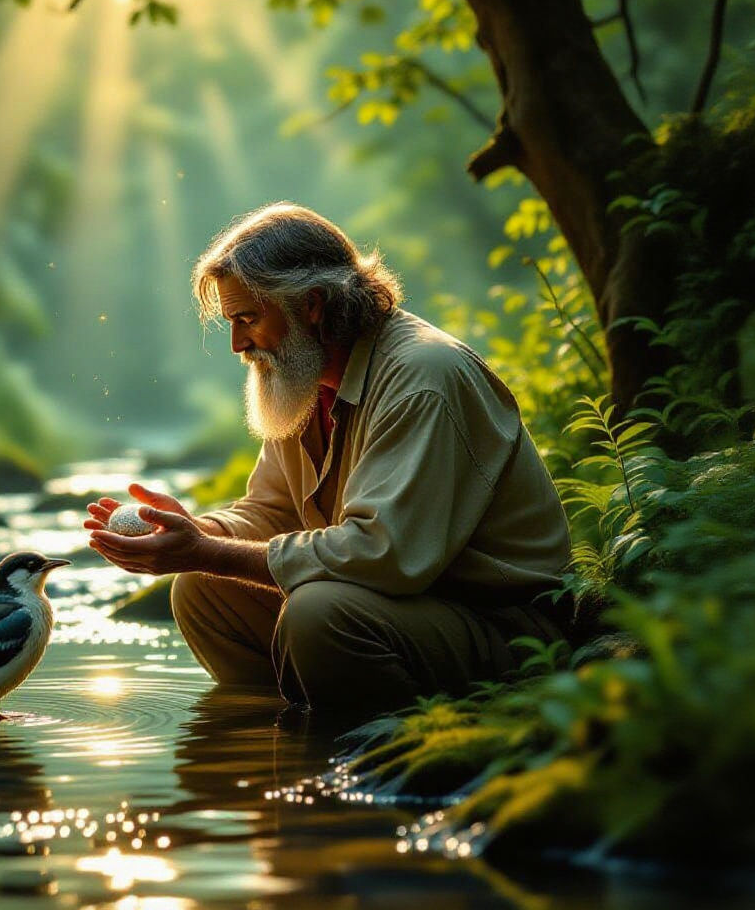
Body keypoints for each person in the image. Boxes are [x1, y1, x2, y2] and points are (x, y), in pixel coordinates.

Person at [84, 203, 573, 715]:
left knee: (317, 614)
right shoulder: (305, 379)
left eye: (248, 318)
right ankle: (280, 742)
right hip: (405, 607)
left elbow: (381, 555)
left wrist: (207, 551)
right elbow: (272, 512)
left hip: (504, 625)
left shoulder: (422, 378)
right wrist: (194, 532)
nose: (237, 343)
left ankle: (374, 753)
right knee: (201, 590)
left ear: (313, 304)